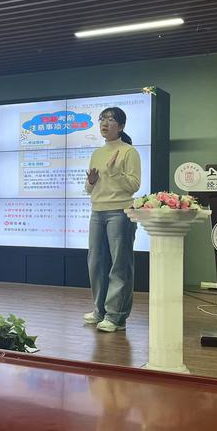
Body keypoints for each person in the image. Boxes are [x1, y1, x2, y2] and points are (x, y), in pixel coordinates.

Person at [84, 107, 141, 332]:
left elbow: (134, 185)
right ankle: (100, 311)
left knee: (119, 265)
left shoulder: (129, 151)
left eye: (110, 119)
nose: (104, 124)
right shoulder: (97, 153)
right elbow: (89, 189)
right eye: (102, 119)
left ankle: (116, 316)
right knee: (96, 263)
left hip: (120, 212)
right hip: (97, 211)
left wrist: (116, 172)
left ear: (121, 126)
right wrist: (91, 181)